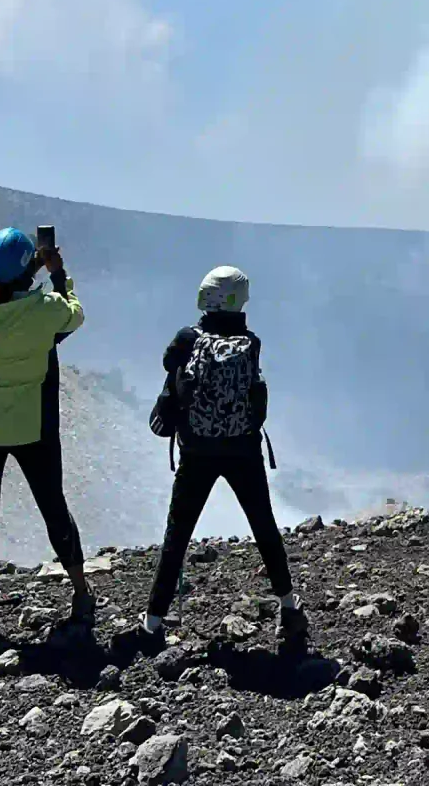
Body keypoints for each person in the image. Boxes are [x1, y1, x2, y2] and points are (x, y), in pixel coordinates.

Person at [143, 266, 304, 653]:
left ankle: (152, 622)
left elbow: (168, 363)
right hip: (242, 450)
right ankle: (288, 606)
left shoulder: (188, 338)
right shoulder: (252, 342)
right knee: (263, 525)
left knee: (177, 535)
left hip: (197, 450)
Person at [0, 228, 92, 640]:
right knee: (53, 506)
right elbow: (73, 313)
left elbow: (5, 298)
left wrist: (28, 268)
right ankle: (81, 590)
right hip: (33, 426)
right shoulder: (46, 310)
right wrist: (56, 271)